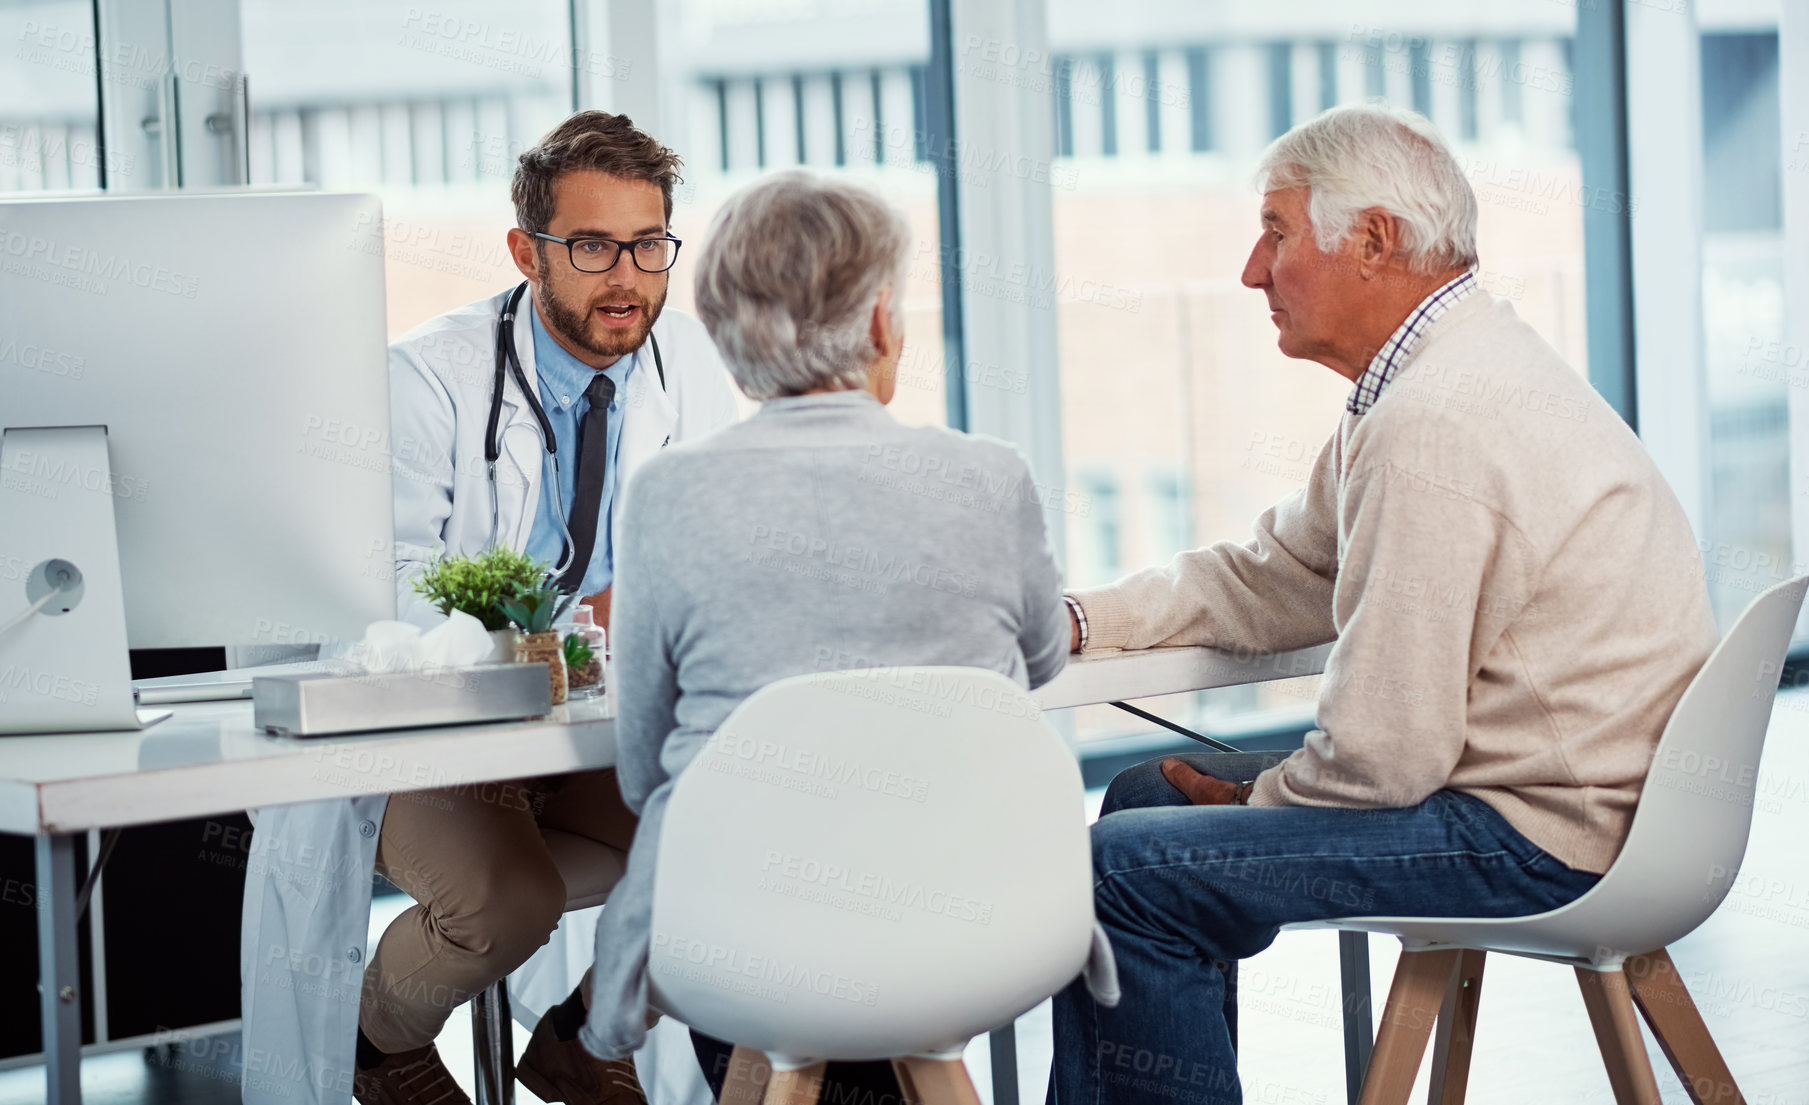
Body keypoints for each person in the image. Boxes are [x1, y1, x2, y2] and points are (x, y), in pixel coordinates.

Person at [1047, 104, 1719, 1105]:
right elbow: (1282, 573)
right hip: (1577, 801)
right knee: (1145, 805)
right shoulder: (1431, 378)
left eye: (1275, 232)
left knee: (1124, 871)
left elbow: (1384, 756)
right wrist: (1082, 623)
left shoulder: (1435, 421)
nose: (1248, 270)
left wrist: (1253, 801)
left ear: (1373, 241)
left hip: (1542, 834)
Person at [266, 111, 738, 1105]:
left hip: (594, 729)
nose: (628, 277)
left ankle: (585, 1034)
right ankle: (373, 1038)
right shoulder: (428, 378)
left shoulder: (687, 363)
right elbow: (378, 588)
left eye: (650, 244)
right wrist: (547, 632)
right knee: (506, 902)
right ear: (528, 251)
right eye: (594, 246)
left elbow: (707, 553)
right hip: (437, 734)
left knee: (742, 843)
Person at [568, 170, 1071, 1099]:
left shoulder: (669, 497)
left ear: (724, 335)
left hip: (743, 941)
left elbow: (641, 773)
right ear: (883, 321)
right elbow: (1038, 664)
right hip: (979, 926)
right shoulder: (991, 477)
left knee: (771, 967)